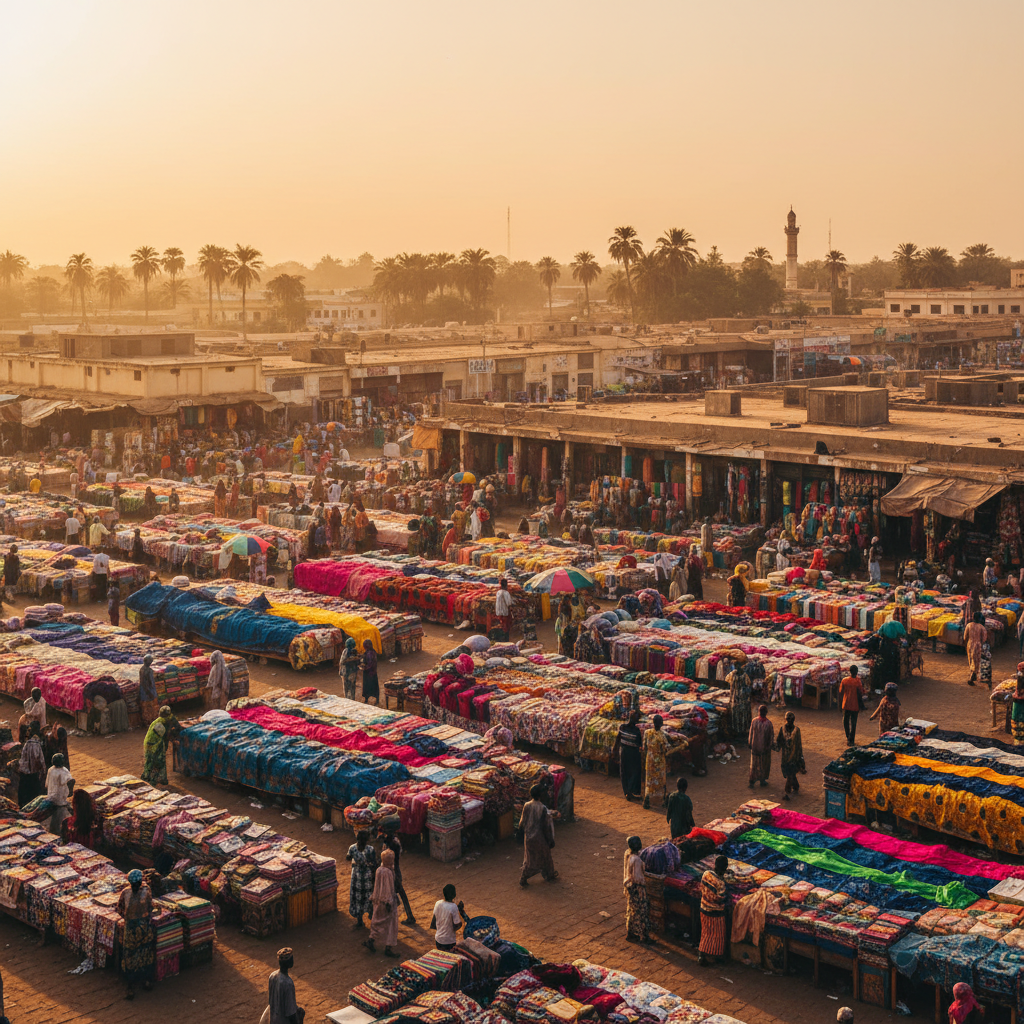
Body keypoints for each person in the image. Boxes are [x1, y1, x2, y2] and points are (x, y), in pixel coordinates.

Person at [118, 869, 155, 1000]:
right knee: (145, 953)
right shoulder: (147, 890)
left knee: (130, 955)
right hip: (144, 927)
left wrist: (127, 919)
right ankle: (146, 981)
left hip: (131, 928)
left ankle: (130, 987)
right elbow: (151, 907)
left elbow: (119, 908)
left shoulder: (125, 892)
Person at [518, 784, 557, 886]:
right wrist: (550, 840)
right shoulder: (542, 808)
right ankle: (549, 875)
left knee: (529, 859)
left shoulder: (527, 805)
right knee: (546, 856)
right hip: (540, 837)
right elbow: (546, 826)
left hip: (529, 837)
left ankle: (524, 877)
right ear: (541, 795)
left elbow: (521, 823)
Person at [363, 848, 399, 957]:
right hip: (387, 902)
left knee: (377, 921)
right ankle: (388, 948)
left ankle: (371, 940)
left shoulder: (379, 870)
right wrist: (389, 902)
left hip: (377, 900)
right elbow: (388, 889)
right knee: (391, 924)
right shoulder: (388, 872)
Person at [377, 825, 415, 924]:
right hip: (396, 871)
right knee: (400, 893)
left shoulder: (390, 845)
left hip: (391, 872)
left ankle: (390, 917)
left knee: (389, 894)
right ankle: (409, 915)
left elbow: (385, 856)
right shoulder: (396, 842)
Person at [697, 854, 729, 966]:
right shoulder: (720, 883)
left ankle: (701, 954)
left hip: (703, 907)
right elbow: (721, 898)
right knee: (717, 936)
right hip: (715, 912)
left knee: (705, 933)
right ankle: (713, 958)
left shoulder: (706, 874)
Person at [623, 836, 653, 944]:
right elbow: (638, 878)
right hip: (637, 887)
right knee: (642, 911)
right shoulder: (636, 859)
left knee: (632, 909)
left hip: (629, 886)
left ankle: (631, 933)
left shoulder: (628, 854)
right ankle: (644, 936)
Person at [346, 830, 378, 928]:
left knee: (357, 897)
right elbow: (375, 863)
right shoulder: (370, 849)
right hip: (367, 876)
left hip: (356, 876)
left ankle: (360, 921)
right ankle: (372, 918)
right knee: (368, 896)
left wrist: (355, 860)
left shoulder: (352, 848)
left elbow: (347, 857)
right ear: (367, 839)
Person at [266, 947, 305, 1024]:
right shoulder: (288, 983)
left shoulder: (272, 976)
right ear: (289, 962)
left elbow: (271, 1002)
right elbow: (290, 1013)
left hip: (273, 1019)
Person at [141, 707, 178, 785]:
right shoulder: (164, 722)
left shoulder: (158, 721)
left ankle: (148, 777)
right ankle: (153, 781)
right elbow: (166, 736)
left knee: (150, 761)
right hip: (156, 744)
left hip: (148, 742)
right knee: (158, 762)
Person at [613, 709, 643, 801]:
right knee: (634, 772)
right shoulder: (636, 731)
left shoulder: (623, 727)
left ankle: (627, 792)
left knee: (624, 773)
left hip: (624, 752)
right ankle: (630, 792)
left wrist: (615, 751)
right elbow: (639, 744)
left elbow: (618, 740)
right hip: (633, 754)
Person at [642, 714, 670, 809]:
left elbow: (644, 746)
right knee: (661, 781)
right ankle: (663, 800)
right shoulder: (662, 735)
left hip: (649, 760)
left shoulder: (647, 732)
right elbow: (666, 749)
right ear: (661, 724)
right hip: (659, 762)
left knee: (649, 781)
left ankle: (647, 799)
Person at [430, 883, 469, 951]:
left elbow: (434, 921)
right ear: (454, 895)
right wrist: (460, 911)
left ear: (443, 894)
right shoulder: (453, 906)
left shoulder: (438, 903)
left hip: (438, 939)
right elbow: (457, 925)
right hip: (449, 941)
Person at [775, 711, 804, 800]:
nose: (789, 720)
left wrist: (801, 759)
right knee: (789, 774)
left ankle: (787, 792)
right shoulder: (782, 729)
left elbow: (799, 745)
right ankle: (796, 786)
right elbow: (779, 741)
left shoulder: (797, 730)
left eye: (790, 719)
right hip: (785, 757)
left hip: (794, 757)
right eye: (788, 718)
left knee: (790, 774)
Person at [17, 721, 45, 806]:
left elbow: (23, 758)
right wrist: (43, 770)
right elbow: (40, 759)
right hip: (34, 773)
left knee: (24, 794)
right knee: (34, 796)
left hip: (24, 772)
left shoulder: (27, 743)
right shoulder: (37, 744)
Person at [45, 753, 73, 833]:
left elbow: (47, 784)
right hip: (60, 798)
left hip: (50, 796)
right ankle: (58, 832)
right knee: (60, 818)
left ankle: (53, 830)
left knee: (54, 818)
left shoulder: (50, 769)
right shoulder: (63, 771)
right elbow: (68, 781)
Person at [748, 705, 774, 787]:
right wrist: (770, 746)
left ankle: (752, 781)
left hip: (755, 747)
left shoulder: (754, 721)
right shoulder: (768, 723)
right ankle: (762, 780)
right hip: (764, 748)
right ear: (766, 713)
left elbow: (750, 733)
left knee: (754, 765)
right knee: (764, 764)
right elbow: (771, 736)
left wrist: (750, 743)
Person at [839, 665, 865, 745]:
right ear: (856, 672)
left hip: (846, 704)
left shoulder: (844, 680)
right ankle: (851, 739)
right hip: (855, 705)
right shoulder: (858, 681)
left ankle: (848, 737)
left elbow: (840, 692)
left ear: (849, 671)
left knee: (845, 721)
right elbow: (862, 691)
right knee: (854, 723)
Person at [728, 664, 752, 740]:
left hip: (735, 698)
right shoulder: (745, 676)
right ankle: (743, 732)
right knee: (743, 715)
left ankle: (738, 732)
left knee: (736, 715)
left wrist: (731, 698)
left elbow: (731, 686)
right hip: (742, 699)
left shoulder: (733, 675)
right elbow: (748, 686)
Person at [964, 612, 987, 686]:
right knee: (976, 661)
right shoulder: (981, 627)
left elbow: (965, 637)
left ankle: (972, 674)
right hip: (978, 645)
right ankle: (973, 675)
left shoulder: (969, 625)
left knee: (971, 659)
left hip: (970, 644)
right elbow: (984, 638)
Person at [139, 654, 158, 725]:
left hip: (144, 692)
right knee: (150, 708)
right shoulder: (148, 670)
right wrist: (150, 693)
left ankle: (147, 722)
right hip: (149, 692)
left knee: (146, 709)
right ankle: (150, 722)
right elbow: (147, 682)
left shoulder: (142, 669)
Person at [361, 638, 379, 705]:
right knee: (373, 686)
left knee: (368, 686)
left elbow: (370, 664)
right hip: (373, 672)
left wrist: (364, 668)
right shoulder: (372, 651)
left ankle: (367, 699)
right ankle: (375, 699)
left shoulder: (369, 653)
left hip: (369, 672)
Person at [1011, 667, 1024, 745]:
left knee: (1017, 722)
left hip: (1018, 703)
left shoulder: (1020, 678)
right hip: (1019, 702)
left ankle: (1018, 742)